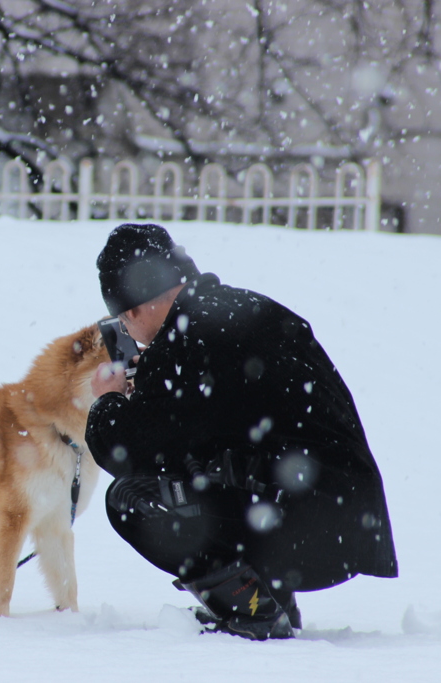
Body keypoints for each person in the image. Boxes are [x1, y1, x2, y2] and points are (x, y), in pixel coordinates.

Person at [86, 223, 397, 640]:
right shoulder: (239, 310)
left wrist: (108, 400)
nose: (128, 331)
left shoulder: (185, 340)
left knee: (132, 500)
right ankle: (271, 600)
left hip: (307, 529)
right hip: (348, 520)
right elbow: (206, 432)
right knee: (209, 462)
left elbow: (130, 452)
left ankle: (253, 610)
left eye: (122, 319)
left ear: (133, 309)